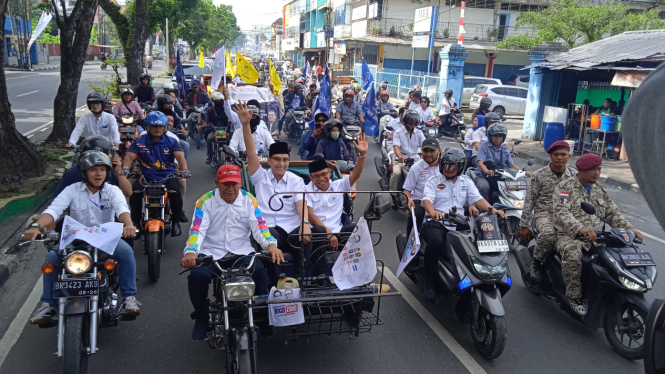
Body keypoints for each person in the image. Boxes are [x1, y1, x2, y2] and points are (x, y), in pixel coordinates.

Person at [26, 151, 141, 324]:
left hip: (105, 238)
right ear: (84, 172)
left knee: (126, 252)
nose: (98, 174)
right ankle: (47, 304)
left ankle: (128, 298)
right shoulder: (72, 190)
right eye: (93, 170)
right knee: (51, 257)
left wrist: (129, 225)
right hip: (75, 238)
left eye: (102, 169)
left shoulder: (112, 190)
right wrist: (36, 226)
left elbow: (122, 209)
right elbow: (54, 210)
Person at [181, 164, 283, 341]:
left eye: (234, 184)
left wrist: (270, 245)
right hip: (212, 252)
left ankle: (262, 315)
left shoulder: (248, 199)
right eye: (225, 184)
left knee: (259, 273)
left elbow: (260, 226)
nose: (230, 189)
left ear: (241, 183)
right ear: (216, 183)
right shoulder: (205, 201)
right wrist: (191, 251)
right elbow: (197, 229)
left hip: (241, 252)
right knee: (196, 277)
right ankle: (201, 317)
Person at [237, 101, 326, 276]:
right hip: (270, 230)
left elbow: (301, 202)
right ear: (269, 161)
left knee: (319, 231)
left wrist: (304, 224)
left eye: (285, 159)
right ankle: (278, 279)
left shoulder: (296, 180)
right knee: (268, 233)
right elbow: (251, 153)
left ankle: (308, 277)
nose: (281, 163)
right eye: (277, 159)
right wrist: (246, 124)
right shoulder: (260, 176)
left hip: (293, 230)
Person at [553, 153, 642, 315]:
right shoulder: (565, 187)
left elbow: (612, 213)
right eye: (593, 169)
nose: (597, 173)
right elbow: (561, 211)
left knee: (618, 256)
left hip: (597, 236)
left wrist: (630, 228)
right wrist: (580, 228)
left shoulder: (599, 189)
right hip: (570, 235)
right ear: (581, 170)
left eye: (599, 169)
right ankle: (573, 297)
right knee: (572, 254)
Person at [420, 148, 506, 300]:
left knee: (473, 246)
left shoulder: (466, 182)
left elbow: (477, 199)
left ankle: (475, 276)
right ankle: (429, 280)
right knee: (436, 242)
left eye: (452, 166)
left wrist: (492, 209)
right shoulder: (433, 181)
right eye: (446, 165)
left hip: (459, 223)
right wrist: (433, 211)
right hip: (437, 222)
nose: (448, 168)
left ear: (460, 167)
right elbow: (427, 200)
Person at [122, 111, 190, 237]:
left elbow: (180, 158)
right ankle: (136, 221)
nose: (157, 129)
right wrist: (125, 169)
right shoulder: (139, 141)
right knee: (135, 193)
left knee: (175, 193)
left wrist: (184, 169)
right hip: (146, 177)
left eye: (160, 126)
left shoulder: (172, 141)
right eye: (154, 126)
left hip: (167, 176)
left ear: (164, 127)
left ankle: (175, 221)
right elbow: (128, 158)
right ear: (148, 127)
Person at [519, 140, 577, 282]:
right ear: (550, 156)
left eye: (563, 154)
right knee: (548, 235)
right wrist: (524, 225)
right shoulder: (539, 175)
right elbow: (530, 200)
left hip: (567, 215)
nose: (559, 157)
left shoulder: (574, 175)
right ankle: (537, 264)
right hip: (544, 214)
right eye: (555, 154)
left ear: (569, 156)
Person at [304, 134, 368, 253]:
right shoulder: (306, 190)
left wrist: (362, 155)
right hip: (317, 233)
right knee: (318, 233)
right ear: (311, 178)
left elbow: (355, 175)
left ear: (329, 173)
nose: (321, 178)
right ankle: (321, 272)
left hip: (338, 230)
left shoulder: (339, 184)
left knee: (358, 229)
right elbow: (310, 215)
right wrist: (328, 234)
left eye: (324, 174)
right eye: (316, 176)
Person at [56, 136, 132, 197]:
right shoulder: (72, 174)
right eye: (109, 153)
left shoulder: (109, 170)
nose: (111, 156)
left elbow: (128, 193)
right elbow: (58, 201)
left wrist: (119, 173)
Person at [475, 123, 530, 202]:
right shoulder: (483, 147)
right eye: (495, 136)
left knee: (513, 187)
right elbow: (481, 163)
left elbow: (511, 165)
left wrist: (523, 172)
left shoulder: (505, 150)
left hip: (500, 177)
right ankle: (483, 210)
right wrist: (487, 171)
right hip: (483, 176)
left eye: (500, 136)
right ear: (490, 136)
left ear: (503, 137)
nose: (498, 138)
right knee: (484, 187)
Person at [403, 138, 441, 235]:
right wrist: (408, 200)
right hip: (420, 201)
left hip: (440, 201)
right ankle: (410, 245)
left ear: (439, 150)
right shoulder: (416, 168)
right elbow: (407, 190)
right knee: (416, 214)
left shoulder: (445, 167)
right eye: (425, 151)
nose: (428, 154)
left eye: (432, 151)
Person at [391, 110, 425, 200]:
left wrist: (425, 154)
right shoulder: (398, 132)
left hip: (415, 159)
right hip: (401, 159)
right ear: (405, 120)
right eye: (410, 120)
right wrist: (400, 156)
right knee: (396, 173)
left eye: (414, 120)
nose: (412, 122)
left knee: (423, 174)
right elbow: (396, 147)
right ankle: (393, 195)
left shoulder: (419, 133)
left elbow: (425, 145)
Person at [203, 91, 231, 163]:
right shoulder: (209, 110)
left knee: (230, 140)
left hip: (225, 130)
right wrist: (205, 123)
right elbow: (206, 119)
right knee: (209, 138)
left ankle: (230, 155)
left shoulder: (226, 110)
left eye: (221, 101)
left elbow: (231, 117)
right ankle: (210, 155)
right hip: (214, 130)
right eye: (217, 101)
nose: (219, 103)